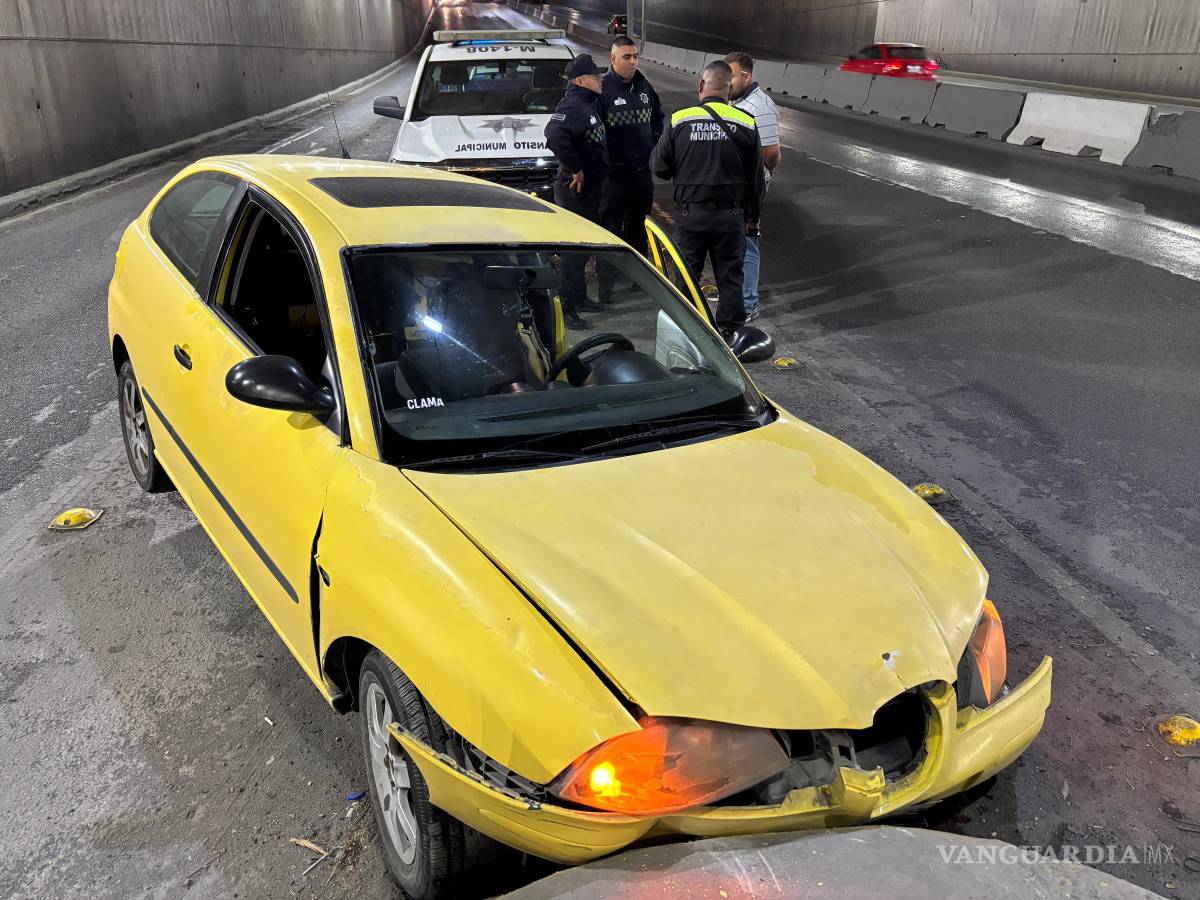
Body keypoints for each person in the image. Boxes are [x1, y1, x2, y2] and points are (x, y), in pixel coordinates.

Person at [650, 60, 764, 332]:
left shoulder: (680, 120)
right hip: (731, 216)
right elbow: (756, 178)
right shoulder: (746, 122)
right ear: (729, 89)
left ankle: (687, 332)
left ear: (701, 85)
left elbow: (659, 167)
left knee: (687, 277)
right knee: (730, 277)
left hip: (691, 216)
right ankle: (731, 335)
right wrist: (753, 217)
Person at [544, 54, 609, 327]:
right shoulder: (573, 105)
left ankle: (579, 298)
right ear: (581, 81)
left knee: (582, 251)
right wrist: (575, 168)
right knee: (573, 253)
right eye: (596, 77)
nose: (601, 81)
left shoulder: (586, 104)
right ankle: (567, 310)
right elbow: (554, 134)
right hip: (575, 190)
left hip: (589, 189)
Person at [726, 51, 781, 322]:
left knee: (747, 240)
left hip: (750, 184)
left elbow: (771, 152)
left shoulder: (761, 106)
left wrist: (765, 175)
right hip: (731, 183)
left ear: (745, 76)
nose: (727, 83)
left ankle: (747, 305)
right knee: (732, 241)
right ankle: (736, 297)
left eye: (731, 77)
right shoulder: (733, 101)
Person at [597, 36, 664, 258]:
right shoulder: (603, 90)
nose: (633, 62)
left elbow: (657, 118)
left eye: (635, 56)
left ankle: (640, 284)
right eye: (627, 57)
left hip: (642, 175)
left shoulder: (645, 87)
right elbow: (594, 133)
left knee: (640, 230)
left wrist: (653, 146)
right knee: (611, 232)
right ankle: (609, 287)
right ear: (613, 58)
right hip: (614, 178)